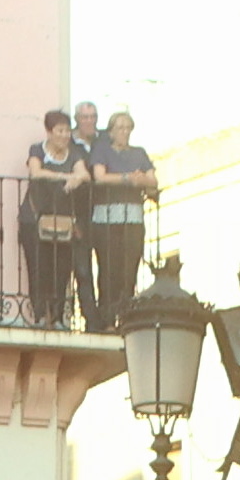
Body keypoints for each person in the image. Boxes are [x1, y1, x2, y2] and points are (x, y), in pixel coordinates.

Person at [81, 108, 156, 330]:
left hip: (132, 219)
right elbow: (100, 176)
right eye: (120, 128)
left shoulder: (139, 153)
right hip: (106, 220)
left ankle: (125, 314)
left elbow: (152, 180)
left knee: (128, 269)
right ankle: (107, 317)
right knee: (109, 269)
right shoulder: (102, 151)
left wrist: (138, 179)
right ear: (111, 132)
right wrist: (128, 178)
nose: (125, 132)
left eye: (128, 128)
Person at [19, 107, 87, 326]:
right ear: (49, 132)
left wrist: (78, 178)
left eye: (67, 130)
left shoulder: (74, 153)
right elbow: (35, 172)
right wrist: (65, 176)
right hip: (35, 217)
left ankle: (56, 315)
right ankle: (39, 313)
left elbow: (83, 173)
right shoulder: (37, 150)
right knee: (38, 267)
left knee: (61, 268)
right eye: (60, 130)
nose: (65, 135)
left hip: (63, 219)